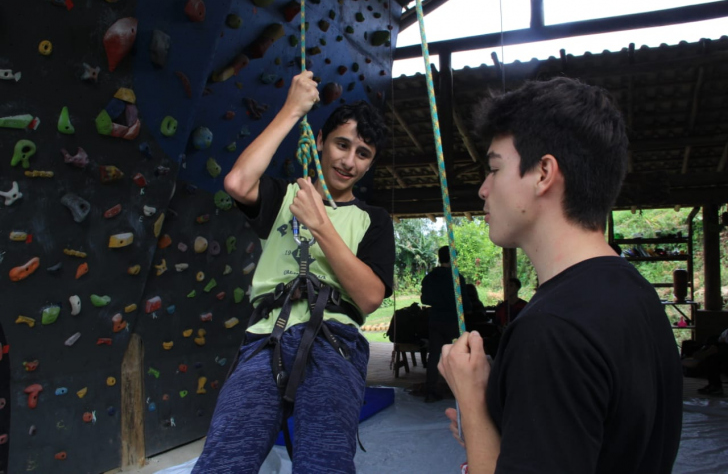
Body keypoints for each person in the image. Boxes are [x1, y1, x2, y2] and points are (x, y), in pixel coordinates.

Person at [438, 77, 683, 473]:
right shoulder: (634, 291)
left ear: (543, 173)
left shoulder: (551, 331)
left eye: (495, 169)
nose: (483, 190)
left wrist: (472, 402)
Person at [192, 71, 395, 473]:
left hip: (334, 341)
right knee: (222, 461)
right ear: (320, 141)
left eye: (362, 153)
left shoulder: (374, 219)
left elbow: (370, 297)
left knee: (324, 464)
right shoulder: (287, 196)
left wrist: (321, 226)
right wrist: (292, 110)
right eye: (342, 144)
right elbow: (236, 182)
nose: (348, 161)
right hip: (266, 337)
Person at [420, 246, 471, 403]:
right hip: (453, 320)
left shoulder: (430, 277)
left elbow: (425, 299)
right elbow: (466, 303)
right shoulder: (457, 278)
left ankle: (431, 391)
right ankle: (460, 390)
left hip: (436, 319)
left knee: (434, 355)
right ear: (452, 258)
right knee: (458, 354)